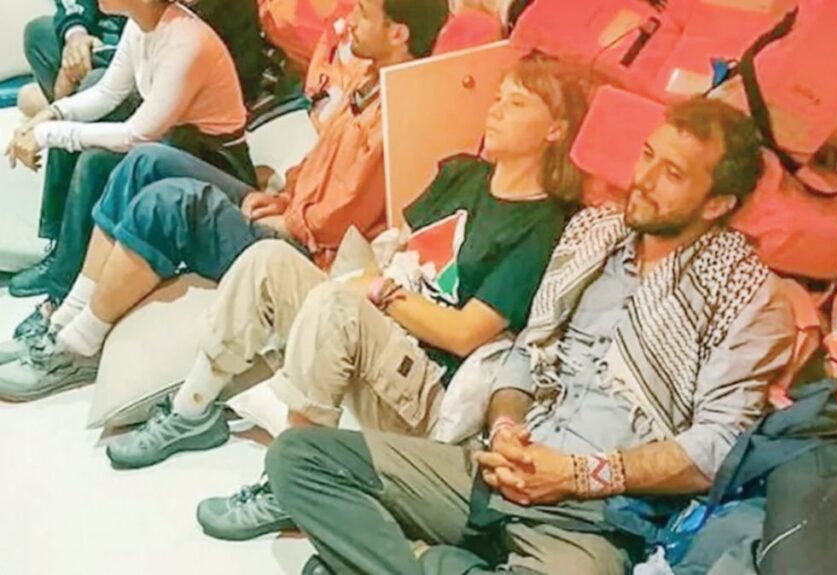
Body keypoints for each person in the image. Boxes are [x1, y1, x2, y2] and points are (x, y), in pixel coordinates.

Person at [264, 97, 797, 575]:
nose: (645, 178)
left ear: (716, 204)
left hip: (592, 518)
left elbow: (715, 449)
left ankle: (425, 561)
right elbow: (527, 351)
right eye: (648, 155)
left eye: (673, 173)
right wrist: (505, 427)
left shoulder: (747, 296)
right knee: (299, 460)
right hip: (497, 468)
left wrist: (574, 474)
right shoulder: (594, 235)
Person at [106, 54, 590, 546]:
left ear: (555, 130)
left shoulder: (542, 226)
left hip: (424, 386)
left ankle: (290, 485)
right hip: (381, 333)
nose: (495, 109)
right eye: (498, 96)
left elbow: (464, 333)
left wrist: (378, 294)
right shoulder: (462, 172)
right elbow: (398, 253)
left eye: (517, 103)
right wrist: (368, 286)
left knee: (336, 308)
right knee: (268, 259)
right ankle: (192, 410)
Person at [0, 0, 452, 402]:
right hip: (286, 210)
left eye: (363, 14)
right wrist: (283, 197)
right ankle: (65, 317)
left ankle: (78, 346)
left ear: (399, 33)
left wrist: (290, 217)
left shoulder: (396, 110)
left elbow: (340, 217)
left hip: (304, 250)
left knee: (166, 202)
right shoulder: (365, 82)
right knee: (145, 163)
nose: (349, 19)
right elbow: (320, 166)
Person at [8, 0, 267, 302]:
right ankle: (61, 258)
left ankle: (59, 294)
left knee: (95, 160)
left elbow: (135, 135)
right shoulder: (141, 24)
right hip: (172, 139)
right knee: (76, 120)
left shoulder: (188, 40)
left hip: (213, 160)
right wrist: (51, 114)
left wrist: (45, 135)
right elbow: (107, 93)